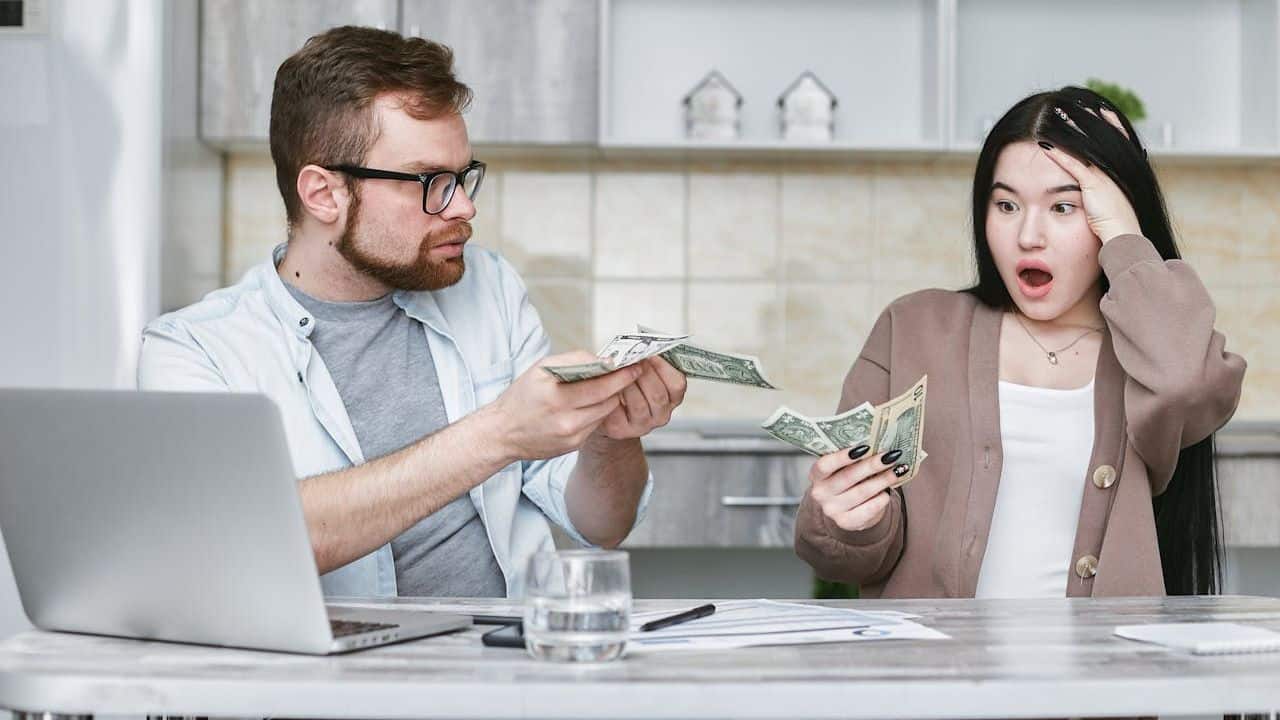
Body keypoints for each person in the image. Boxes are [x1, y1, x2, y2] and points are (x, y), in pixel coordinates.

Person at [138, 26, 687, 599]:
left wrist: (611, 440)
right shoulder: (195, 350)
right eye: (431, 182)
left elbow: (604, 524)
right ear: (324, 194)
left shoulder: (491, 286)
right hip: (326, 681)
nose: (465, 206)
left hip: (507, 667)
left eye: (462, 176)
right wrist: (498, 434)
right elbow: (246, 540)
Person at [795, 86, 1246, 598]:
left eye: (1064, 208)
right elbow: (844, 556)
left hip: (1107, 674)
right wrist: (852, 521)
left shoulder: (1149, 349)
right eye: (1006, 204)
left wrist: (1123, 231)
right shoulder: (912, 328)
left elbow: (1186, 383)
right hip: (938, 674)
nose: (1029, 235)